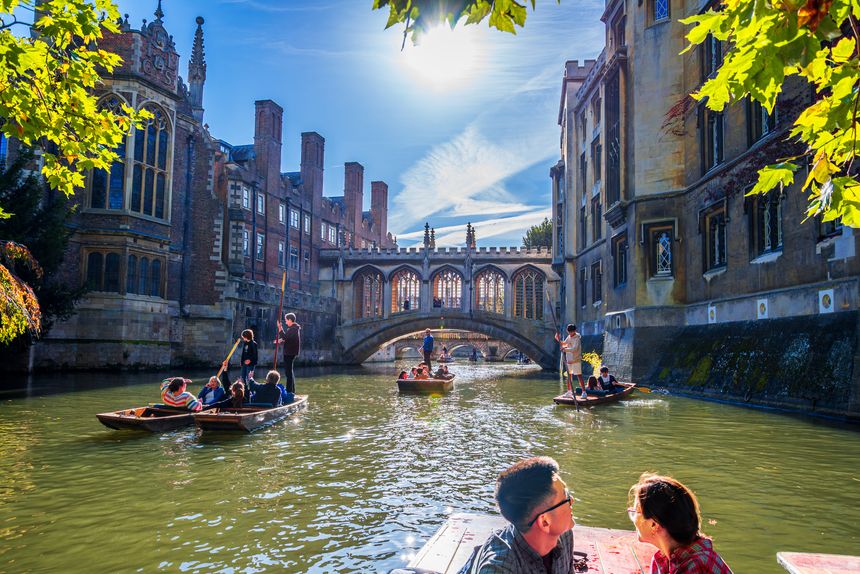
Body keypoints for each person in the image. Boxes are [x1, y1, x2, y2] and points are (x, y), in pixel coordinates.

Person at [458, 456, 577, 573]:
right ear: (545, 522)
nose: (572, 500)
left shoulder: (564, 535)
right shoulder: (499, 567)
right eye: (565, 497)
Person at [628, 474, 733, 573]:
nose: (632, 518)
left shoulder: (697, 565)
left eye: (636, 512)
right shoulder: (662, 560)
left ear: (654, 525)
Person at [555, 324, 585, 399]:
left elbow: (575, 349)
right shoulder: (569, 337)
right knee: (569, 376)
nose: (570, 333)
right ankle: (569, 391)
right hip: (569, 360)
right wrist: (558, 339)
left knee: (579, 376)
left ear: (575, 331)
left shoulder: (577, 338)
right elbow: (564, 343)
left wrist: (565, 349)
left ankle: (584, 392)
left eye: (572, 332)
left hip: (576, 359)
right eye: (569, 332)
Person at [276, 312, 302, 394]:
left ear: (290, 320)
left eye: (286, 320)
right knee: (289, 372)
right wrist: (281, 340)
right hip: (290, 352)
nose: (286, 322)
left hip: (290, 353)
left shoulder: (293, 329)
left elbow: (285, 337)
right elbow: (288, 339)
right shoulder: (292, 329)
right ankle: (291, 391)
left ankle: (289, 391)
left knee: (288, 373)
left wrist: (280, 328)